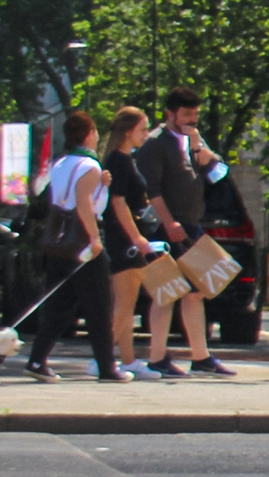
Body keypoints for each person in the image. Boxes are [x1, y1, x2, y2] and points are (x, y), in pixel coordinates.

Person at [134, 87, 232, 377]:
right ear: (170, 114)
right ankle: (157, 358)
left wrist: (201, 148)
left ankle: (201, 356)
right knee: (166, 293)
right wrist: (169, 223)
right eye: (186, 115)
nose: (191, 120)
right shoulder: (155, 145)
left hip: (191, 225)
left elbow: (217, 173)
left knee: (198, 291)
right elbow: (152, 191)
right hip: (167, 227)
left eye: (195, 115)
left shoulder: (192, 142)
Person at [24, 111, 123, 381]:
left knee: (59, 304)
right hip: (82, 242)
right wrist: (95, 238)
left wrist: (101, 185)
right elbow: (83, 203)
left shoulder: (61, 163)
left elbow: (61, 197)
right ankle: (107, 366)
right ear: (89, 133)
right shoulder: (89, 166)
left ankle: (37, 360)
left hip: (60, 240)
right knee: (100, 305)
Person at [99, 106, 172, 378]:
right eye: (142, 129)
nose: (146, 134)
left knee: (127, 304)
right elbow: (118, 204)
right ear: (129, 131)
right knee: (125, 303)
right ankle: (102, 357)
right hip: (124, 241)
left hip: (127, 240)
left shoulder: (125, 159)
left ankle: (127, 360)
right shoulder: (118, 161)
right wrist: (137, 237)